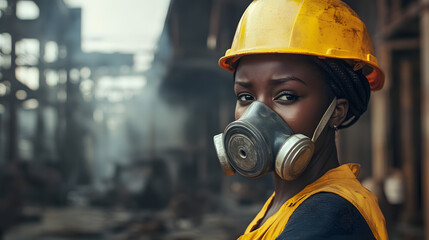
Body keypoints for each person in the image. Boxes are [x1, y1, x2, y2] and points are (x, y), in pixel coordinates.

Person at [212, 0, 388, 239]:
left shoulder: (329, 218)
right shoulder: (285, 204)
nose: (256, 115)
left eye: (286, 95)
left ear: (336, 111)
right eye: (245, 96)